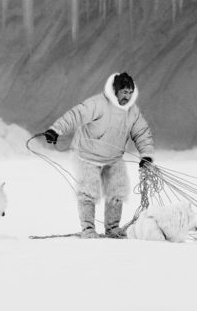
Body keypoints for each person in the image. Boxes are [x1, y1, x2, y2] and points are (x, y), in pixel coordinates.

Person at [42, 72, 154, 238]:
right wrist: (55, 130)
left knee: (118, 191)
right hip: (87, 156)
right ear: (115, 91)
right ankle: (88, 230)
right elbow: (75, 115)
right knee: (88, 192)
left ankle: (113, 228)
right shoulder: (97, 104)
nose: (127, 96)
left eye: (130, 93)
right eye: (124, 92)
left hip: (114, 158)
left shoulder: (132, 111)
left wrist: (146, 155)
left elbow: (142, 132)